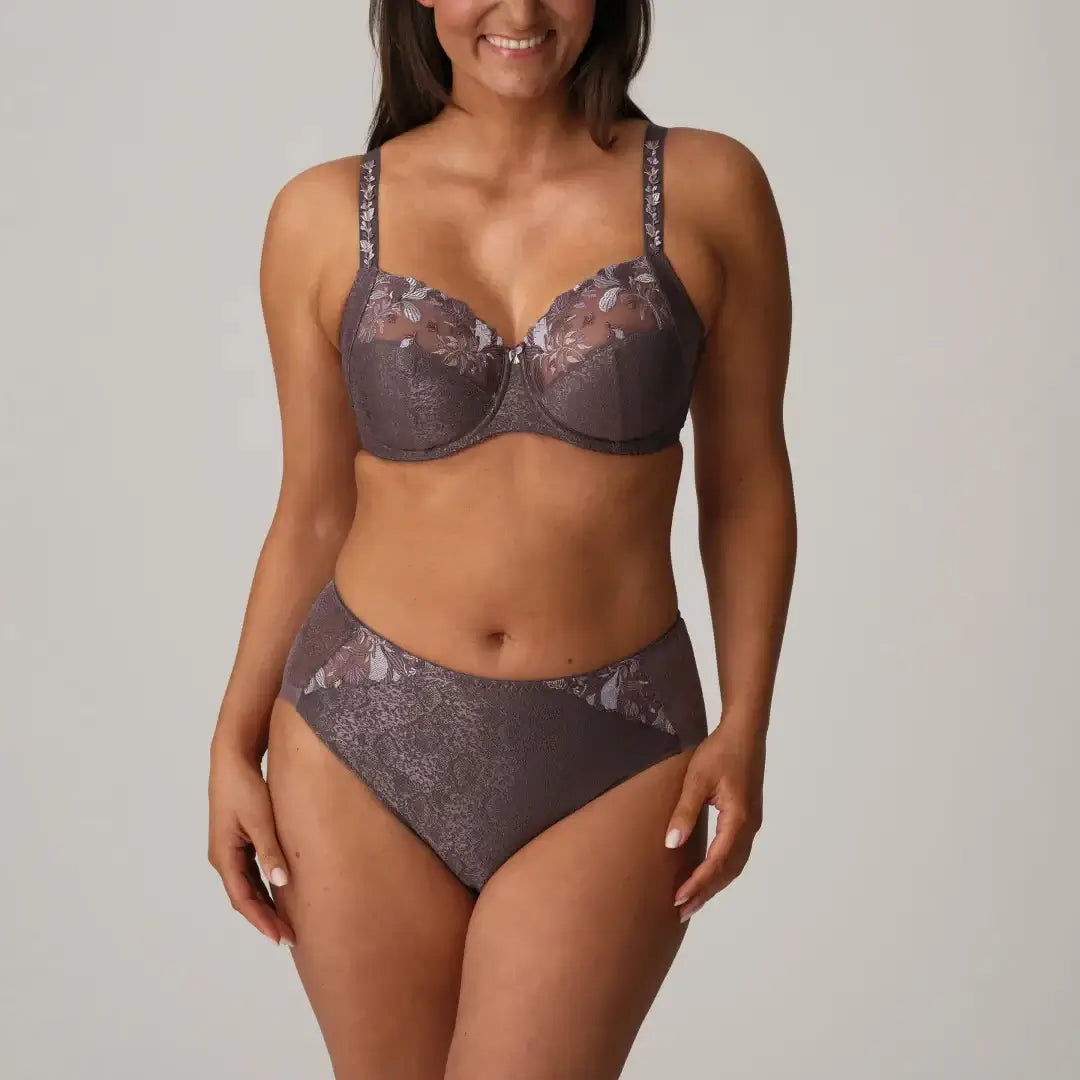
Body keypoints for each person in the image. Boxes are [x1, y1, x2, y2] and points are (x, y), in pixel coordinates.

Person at [208, 1, 794, 1076]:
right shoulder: (323, 214)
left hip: (617, 741)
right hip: (357, 731)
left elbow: (747, 483)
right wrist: (231, 742)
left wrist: (747, 725)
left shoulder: (710, 189)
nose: (518, 11)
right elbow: (313, 508)